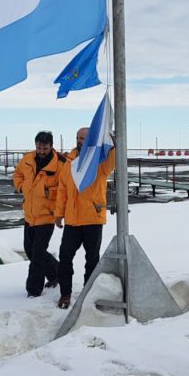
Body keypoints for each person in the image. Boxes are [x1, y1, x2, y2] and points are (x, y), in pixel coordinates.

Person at [53, 126, 116, 309]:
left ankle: (89, 293)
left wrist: (112, 144)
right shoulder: (69, 162)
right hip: (72, 220)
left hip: (92, 219)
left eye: (83, 138)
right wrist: (58, 214)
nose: (80, 141)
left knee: (92, 259)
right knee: (65, 257)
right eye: (78, 138)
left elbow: (113, 161)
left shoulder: (99, 161)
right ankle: (65, 294)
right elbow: (62, 191)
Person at [13, 131, 67, 297]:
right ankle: (56, 272)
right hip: (30, 214)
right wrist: (20, 186)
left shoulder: (60, 165)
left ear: (51, 146)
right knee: (31, 250)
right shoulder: (28, 159)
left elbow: (65, 189)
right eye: (39, 147)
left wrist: (49, 194)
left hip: (46, 216)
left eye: (45, 148)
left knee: (37, 255)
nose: (41, 151)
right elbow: (17, 173)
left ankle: (33, 290)